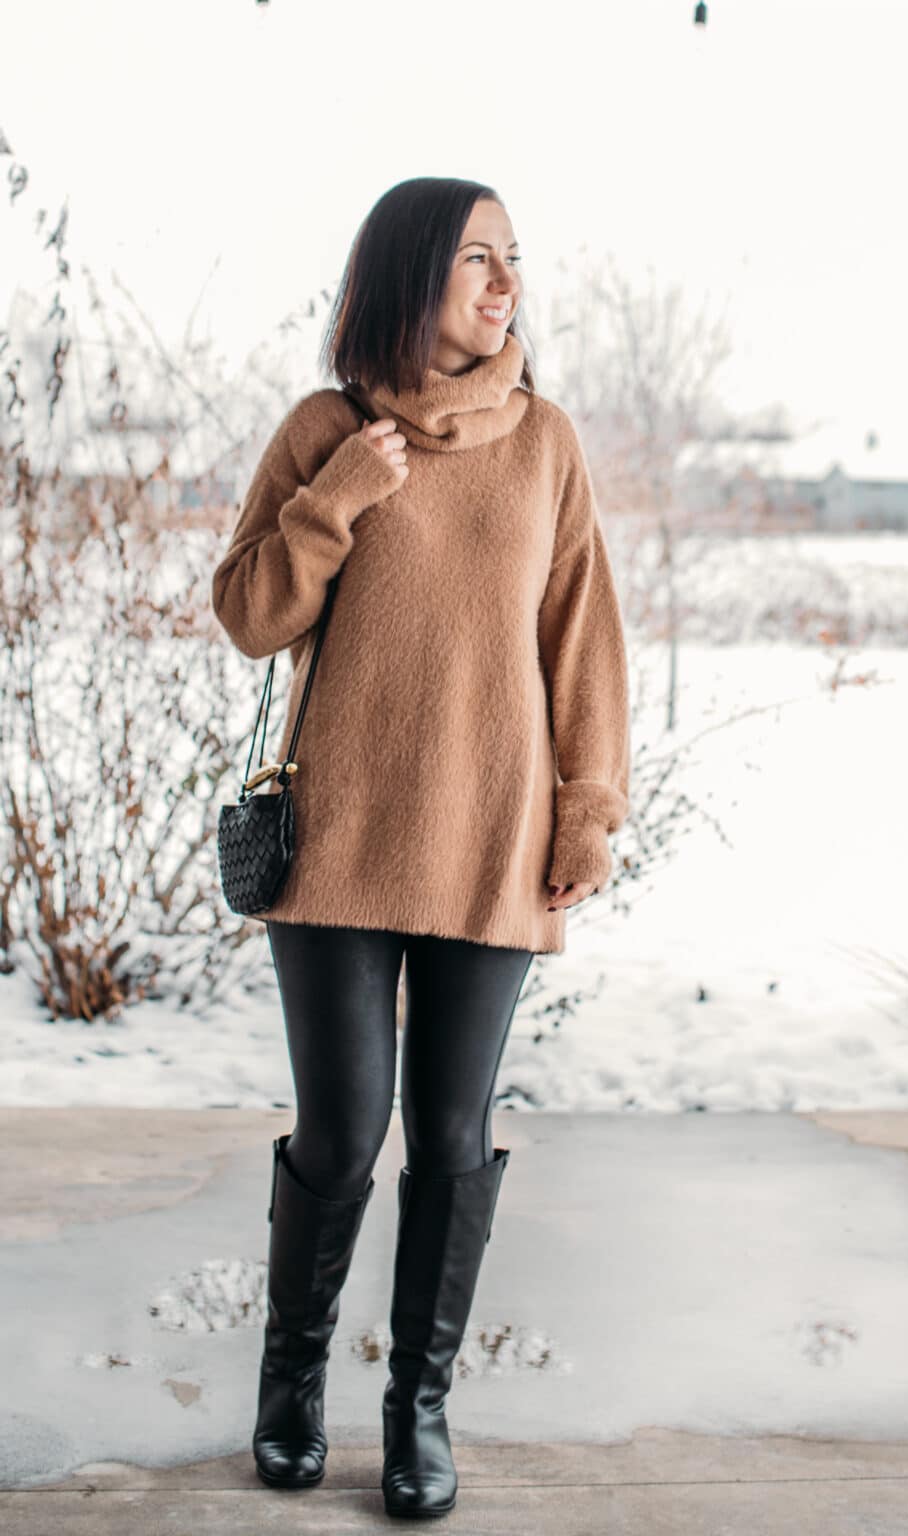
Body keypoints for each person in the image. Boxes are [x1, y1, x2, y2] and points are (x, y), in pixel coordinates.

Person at [211, 176, 631, 1520]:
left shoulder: (544, 442)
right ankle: (291, 1387)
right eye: (476, 261)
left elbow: (583, 640)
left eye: (515, 262)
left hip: (496, 844)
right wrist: (335, 496)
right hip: (339, 842)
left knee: (450, 1135)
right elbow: (250, 614)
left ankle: (419, 1412)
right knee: (341, 1133)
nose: (505, 286)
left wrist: (589, 808)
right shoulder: (326, 431)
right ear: (407, 277)